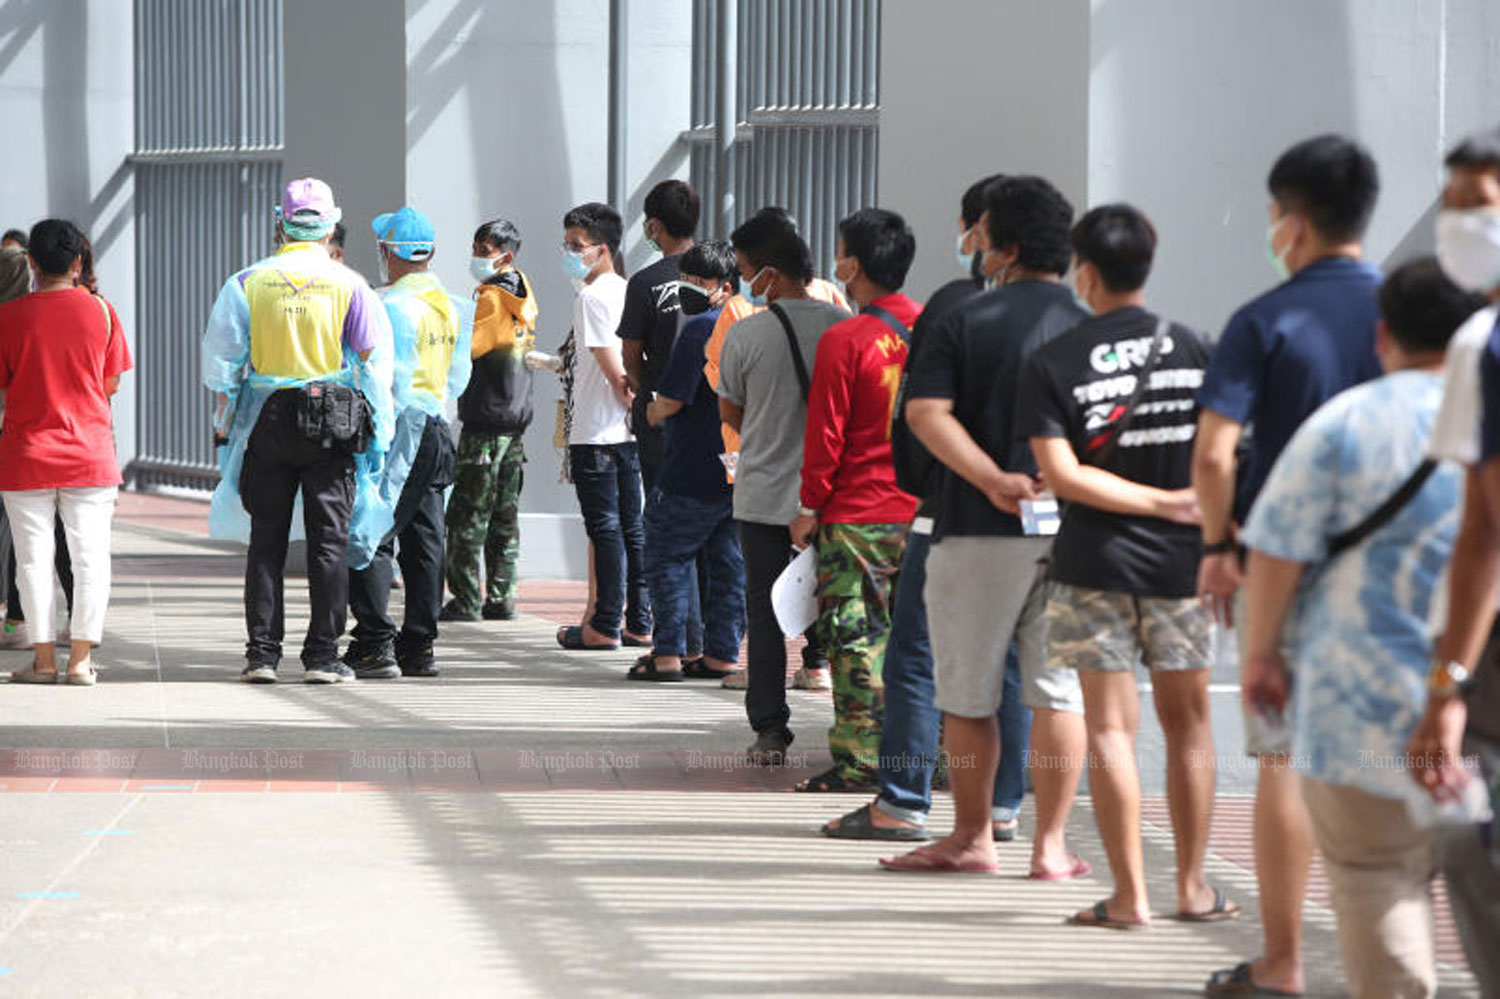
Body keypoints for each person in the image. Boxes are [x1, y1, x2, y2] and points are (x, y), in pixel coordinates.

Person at [1237, 258, 1476, 998]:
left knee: (1378, 880)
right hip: (1480, 708)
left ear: (1383, 335)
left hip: (1357, 708)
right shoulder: (1489, 424)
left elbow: (1275, 552)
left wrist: (1262, 653)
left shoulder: (1344, 423)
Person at [1192, 135, 1381, 998]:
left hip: (1289, 565)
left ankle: (1284, 961)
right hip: (1408, 569)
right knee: (1402, 759)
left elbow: (1214, 453)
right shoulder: (1414, 314)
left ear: (1292, 221)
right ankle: (1393, 960)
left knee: (1285, 759)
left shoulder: (1263, 319)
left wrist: (1218, 545)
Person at [1019, 204, 1225, 928]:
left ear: (1086, 271)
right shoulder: (1198, 347)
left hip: (1093, 560)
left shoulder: (1055, 362)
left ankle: (1129, 894)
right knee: (1191, 724)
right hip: (1184, 567)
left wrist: (1147, 501)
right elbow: (1225, 454)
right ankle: (1195, 886)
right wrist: (1181, 506)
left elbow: (1063, 477)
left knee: (1109, 726)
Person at [887, 175, 1090, 877]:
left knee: (967, 692)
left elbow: (925, 414)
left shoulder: (962, 319)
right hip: (1075, 535)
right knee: (1057, 691)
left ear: (999, 247)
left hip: (974, 528)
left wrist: (992, 478)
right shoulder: (1093, 327)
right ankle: (1051, 844)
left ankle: (971, 838)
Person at [823, 174, 1035, 843]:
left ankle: (894, 789)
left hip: (917, 512)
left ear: (986, 236)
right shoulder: (1058, 319)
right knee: (1006, 661)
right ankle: (999, 802)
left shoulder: (943, 314)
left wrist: (813, 503)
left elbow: (895, 421)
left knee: (896, 651)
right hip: (1028, 514)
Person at [202, 177, 394, 684]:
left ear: (279, 222)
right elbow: (376, 366)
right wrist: (379, 432)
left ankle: (262, 655)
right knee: (329, 541)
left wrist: (227, 420)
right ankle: (323, 657)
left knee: (266, 540)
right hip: (331, 419)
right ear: (331, 224)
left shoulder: (246, 282)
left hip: (267, 419)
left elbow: (221, 364)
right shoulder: (351, 284)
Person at [1407, 125, 1500, 996]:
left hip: (1491, 664)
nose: (1461, 224)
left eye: (1478, 205)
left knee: (1468, 846)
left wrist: (1447, 689)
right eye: (1455, 205)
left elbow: (1484, 532)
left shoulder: (1483, 345)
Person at [787, 208, 921, 791]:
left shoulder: (846, 339)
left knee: (855, 638)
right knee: (918, 641)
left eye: (840, 251)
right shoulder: (934, 329)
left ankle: (863, 761)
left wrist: (809, 505)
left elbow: (827, 434)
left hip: (857, 513)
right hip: (925, 513)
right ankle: (926, 759)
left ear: (854, 264)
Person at [716, 214, 849, 761]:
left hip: (764, 495)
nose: (747, 283)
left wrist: (772, 434)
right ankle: (854, 723)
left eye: (748, 272)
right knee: (843, 611)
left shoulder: (747, 332)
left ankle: (770, 730)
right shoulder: (844, 328)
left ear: (770, 274)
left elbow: (730, 409)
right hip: (834, 497)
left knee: (765, 613)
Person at [1, 219, 131, 685]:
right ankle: (79, 661)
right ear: (78, 261)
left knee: (32, 560)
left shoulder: (10, 317)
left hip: (25, 454)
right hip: (90, 454)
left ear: (31, 263)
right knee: (90, 557)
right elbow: (110, 382)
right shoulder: (102, 312)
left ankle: (41, 661)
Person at [343, 206, 470, 679]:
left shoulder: (387, 306)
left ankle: (375, 642)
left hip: (399, 429)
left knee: (370, 531)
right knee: (425, 539)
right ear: (430, 252)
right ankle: (420, 645)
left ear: (386, 252)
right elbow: (458, 376)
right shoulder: (452, 306)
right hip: (437, 425)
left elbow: (379, 376)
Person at [630, 240, 744, 682]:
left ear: (726, 286)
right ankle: (721, 654)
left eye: (699, 283)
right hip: (735, 467)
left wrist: (653, 410)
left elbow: (673, 401)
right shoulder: (752, 325)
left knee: (664, 554)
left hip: (691, 465)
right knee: (727, 562)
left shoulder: (701, 329)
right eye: (686, 279)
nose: (687, 290)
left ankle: (667, 655)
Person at [555, 202, 651, 651]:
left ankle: (604, 623)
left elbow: (614, 371)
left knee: (605, 527)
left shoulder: (591, 298)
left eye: (578, 246)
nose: (570, 254)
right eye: (567, 245)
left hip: (595, 430)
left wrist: (628, 400)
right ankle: (640, 620)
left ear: (603, 249)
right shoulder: (630, 290)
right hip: (628, 434)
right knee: (632, 526)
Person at [441, 219, 539, 623]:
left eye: (484, 250)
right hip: (515, 422)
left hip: (484, 422)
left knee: (467, 513)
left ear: (505, 256)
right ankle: (501, 597)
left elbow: (469, 349)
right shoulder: (524, 296)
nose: (476, 257)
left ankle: (465, 599)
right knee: (504, 514)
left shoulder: (492, 298)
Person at [0, 243, 73, 652]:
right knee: (55, 536)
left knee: (20, 538)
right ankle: (64, 632)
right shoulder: (35, 316)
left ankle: (20, 625)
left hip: (21, 442)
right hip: (48, 440)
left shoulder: (15, 320)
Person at [620, 179, 700, 490]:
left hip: (659, 417)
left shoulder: (645, 282)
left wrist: (648, 389)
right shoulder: (723, 274)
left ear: (654, 225)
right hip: (713, 414)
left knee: (661, 503)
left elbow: (631, 358)